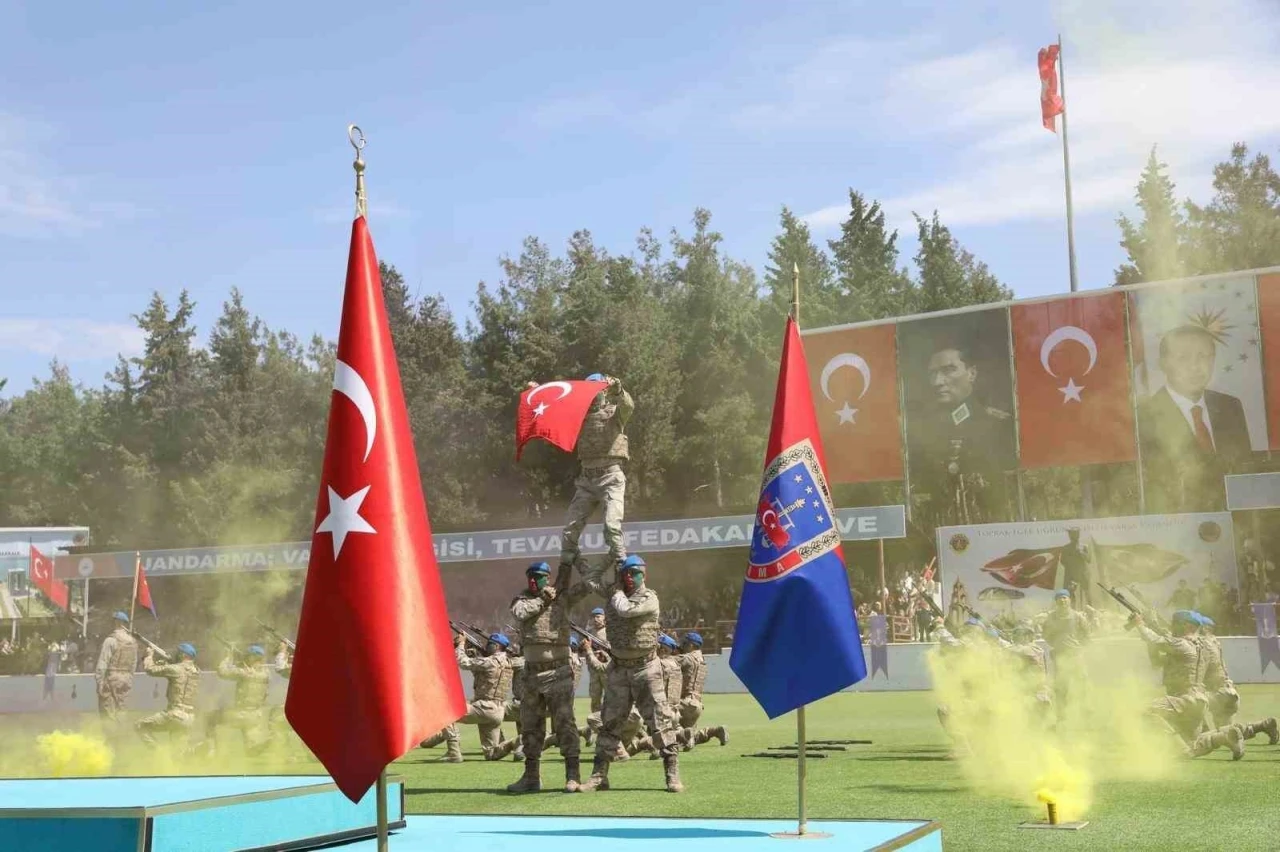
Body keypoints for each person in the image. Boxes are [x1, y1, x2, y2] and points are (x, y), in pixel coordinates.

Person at [578, 555, 682, 793]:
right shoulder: (615, 592)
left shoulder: (649, 598)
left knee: (660, 722)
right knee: (609, 723)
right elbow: (590, 578)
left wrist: (615, 591)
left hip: (646, 669)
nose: (629, 577)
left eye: (634, 573)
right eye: (625, 573)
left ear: (644, 575)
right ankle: (599, 776)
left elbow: (625, 611)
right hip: (619, 669)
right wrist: (610, 558)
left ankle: (672, 774)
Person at [1137, 324, 1253, 513]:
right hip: (1176, 522)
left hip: (1236, 520)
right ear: (1163, 364)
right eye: (1183, 358)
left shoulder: (1230, 407)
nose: (1195, 367)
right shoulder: (1143, 416)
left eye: (1203, 356)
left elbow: (1244, 473)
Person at [506, 561, 595, 793]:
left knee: (565, 724)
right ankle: (531, 777)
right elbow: (520, 613)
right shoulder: (522, 599)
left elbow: (589, 585)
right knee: (530, 726)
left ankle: (573, 776)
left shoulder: (563, 599)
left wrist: (576, 561)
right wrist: (543, 600)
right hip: (532, 673)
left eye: (539, 577)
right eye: (531, 577)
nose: (533, 581)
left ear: (548, 578)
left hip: (558, 672)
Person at [906, 344, 1015, 527]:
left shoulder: (997, 424)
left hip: (991, 526)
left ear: (971, 374)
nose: (937, 382)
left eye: (949, 370)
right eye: (932, 374)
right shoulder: (920, 430)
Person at [548, 373, 633, 571]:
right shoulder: (579, 416)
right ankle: (567, 570)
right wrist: (538, 392)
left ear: (604, 390)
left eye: (597, 388)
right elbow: (555, 409)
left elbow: (628, 406)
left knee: (612, 527)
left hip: (611, 477)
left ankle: (622, 567)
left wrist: (618, 388)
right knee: (570, 529)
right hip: (586, 481)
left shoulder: (615, 412)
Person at [1134, 611, 1244, 759]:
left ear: (1186, 626)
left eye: (1175, 623)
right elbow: (1157, 660)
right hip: (1198, 701)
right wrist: (1153, 627)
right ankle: (1225, 737)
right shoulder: (1201, 647)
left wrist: (1140, 624)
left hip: (1184, 700)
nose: (1172, 626)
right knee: (1193, 744)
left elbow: (1154, 639)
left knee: (1146, 711)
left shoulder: (1182, 644)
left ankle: (1181, 750)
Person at [426, 633, 518, 763]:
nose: (487, 646)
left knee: (446, 711)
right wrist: (474, 655)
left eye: (490, 644)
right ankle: (517, 742)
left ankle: (454, 753)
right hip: (498, 710)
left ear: (497, 646)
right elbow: (483, 675)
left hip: (484, 707)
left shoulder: (491, 661)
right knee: (491, 754)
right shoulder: (508, 662)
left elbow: (463, 663)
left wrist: (461, 644)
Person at [1194, 613, 1276, 743]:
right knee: (1227, 732)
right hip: (1227, 692)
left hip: (1217, 693)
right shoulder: (1214, 642)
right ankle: (1263, 725)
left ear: (1204, 629)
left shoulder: (1203, 645)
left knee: (1190, 703)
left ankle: (1201, 732)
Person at [202, 645, 270, 756]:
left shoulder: (244, 673)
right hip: (256, 715)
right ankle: (258, 744)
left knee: (209, 718)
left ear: (251, 657)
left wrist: (228, 658)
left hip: (241, 714)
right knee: (251, 751)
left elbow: (222, 672)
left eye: (247, 656)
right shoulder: (266, 674)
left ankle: (211, 751)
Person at [136, 643, 201, 750]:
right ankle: (194, 752)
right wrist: (166, 663)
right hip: (189, 717)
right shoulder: (196, 671)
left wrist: (149, 655)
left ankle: (160, 752)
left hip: (175, 715)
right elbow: (183, 672)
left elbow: (150, 669)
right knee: (178, 752)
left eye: (178, 653)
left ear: (183, 655)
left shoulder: (175, 669)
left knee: (140, 726)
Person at [1038, 590, 1090, 717]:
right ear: (1056, 602)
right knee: (1061, 686)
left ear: (1069, 600)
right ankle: (1061, 714)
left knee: (1081, 681)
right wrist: (1056, 644)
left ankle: (1084, 710)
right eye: (1059, 598)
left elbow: (1086, 633)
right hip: (1060, 656)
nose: (1062, 600)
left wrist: (1079, 646)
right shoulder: (1051, 618)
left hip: (1075, 654)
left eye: (1064, 598)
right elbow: (1046, 634)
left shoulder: (1077, 616)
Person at [95, 612, 138, 723]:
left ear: (117, 622)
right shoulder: (133, 642)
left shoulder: (110, 640)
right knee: (122, 708)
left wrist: (99, 681)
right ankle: (121, 731)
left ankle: (111, 732)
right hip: (126, 678)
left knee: (107, 709)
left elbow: (103, 661)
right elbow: (134, 664)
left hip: (111, 678)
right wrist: (129, 677)